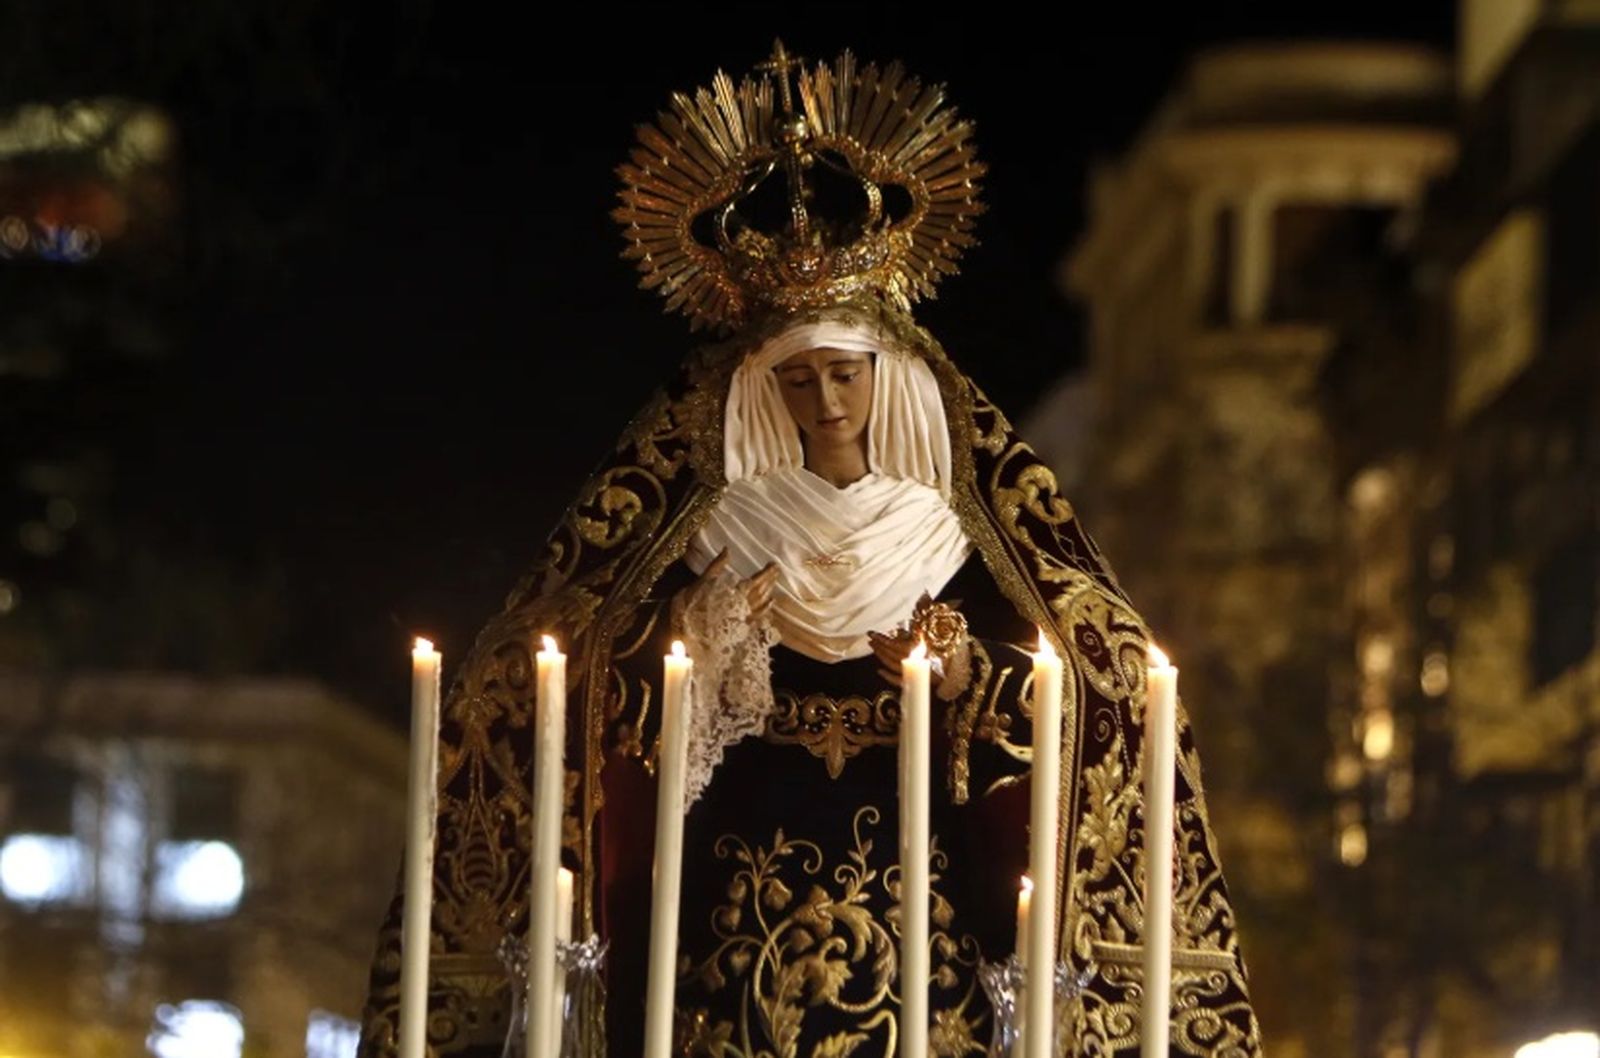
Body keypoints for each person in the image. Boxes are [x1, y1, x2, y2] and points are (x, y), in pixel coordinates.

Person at [358, 43, 1261, 1058]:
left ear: (888, 376)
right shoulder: (700, 520)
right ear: (758, 389)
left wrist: (970, 676)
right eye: (797, 381)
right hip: (711, 935)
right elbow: (540, 677)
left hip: (933, 947)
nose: (824, 402)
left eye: (844, 373)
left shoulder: (962, 525)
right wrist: (686, 639)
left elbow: (1100, 682)